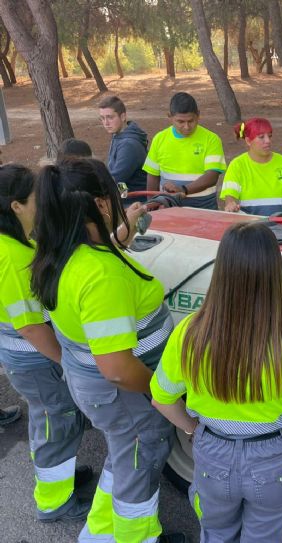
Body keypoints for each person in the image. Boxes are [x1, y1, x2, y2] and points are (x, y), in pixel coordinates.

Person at [30, 158, 184, 543]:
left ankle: (99, 534)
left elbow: (99, 260)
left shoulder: (64, 252)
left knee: (124, 457)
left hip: (96, 390)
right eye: (115, 195)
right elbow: (117, 367)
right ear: (100, 204)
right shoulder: (101, 276)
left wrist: (119, 236)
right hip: (124, 393)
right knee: (138, 467)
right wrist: (159, 389)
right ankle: (137, 536)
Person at [150, 221, 282, 542]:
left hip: (211, 455)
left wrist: (193, 430)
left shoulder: (189, 334)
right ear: (275, 274)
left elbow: (161, 398)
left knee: (216, 534)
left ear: (222, 270)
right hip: (275, 461)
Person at [0, 164, 90, 522]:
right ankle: (54, 502)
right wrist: (66, 362)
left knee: (52, 420)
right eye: (37, 198)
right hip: (35, 360)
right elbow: (30, 327)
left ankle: (59, 478)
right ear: (17, 206)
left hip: (31, 360)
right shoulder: (12, 258)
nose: (43, 203)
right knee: (57, 421)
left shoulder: (17, 242)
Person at [144, 92, 226, 209]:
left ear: (198, 115)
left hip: (203, 206)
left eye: (191, 121)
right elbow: (152, 175)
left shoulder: (211, 139)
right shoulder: (159, 139)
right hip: (168, 206)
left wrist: (183, 190)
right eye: (181, 122)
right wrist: (151, 205)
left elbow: (212, 176)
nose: (187, 127)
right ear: (170, 117)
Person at [220, 118, 282, 217]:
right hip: (251, 229)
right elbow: (230, 197)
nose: (268, 141)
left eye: (269, 136)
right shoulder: (237, 165)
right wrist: (230, 204)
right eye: (261, 137)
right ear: (248, 141)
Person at [98, 95, 148, 203]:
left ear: (123, 116)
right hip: (124, 196)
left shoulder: (129, 145)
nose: (106, 123)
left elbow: (116, 179)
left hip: (134, 203)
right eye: (102, 118)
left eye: (110, 117)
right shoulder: (118, 136)